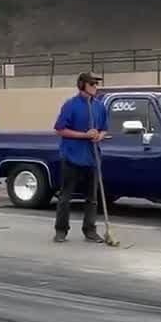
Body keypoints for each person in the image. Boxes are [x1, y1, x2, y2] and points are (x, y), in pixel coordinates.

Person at [53, 72, 109, 244]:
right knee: (66, 196)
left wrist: (99, 135)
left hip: (92, 157)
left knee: (92, 197)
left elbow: (104, 128)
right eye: (92, 84)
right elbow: (59, 129)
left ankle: (90, 230)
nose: (95, 87)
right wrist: (83, 135)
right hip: (72, 156)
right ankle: (61, 230)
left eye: (96, 84)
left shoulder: (100, 106)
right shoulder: (70, 105)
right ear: (82, 85)